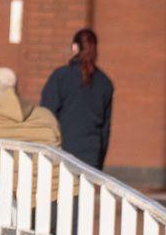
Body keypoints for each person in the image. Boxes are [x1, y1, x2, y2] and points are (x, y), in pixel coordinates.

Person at [40, 28, 113, 169]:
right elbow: (105, 129)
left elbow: (46, 116)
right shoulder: (105, 83)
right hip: (91, 155)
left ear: (75, 48)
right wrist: (99, 162)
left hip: (61, 151)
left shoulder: (60, 77)